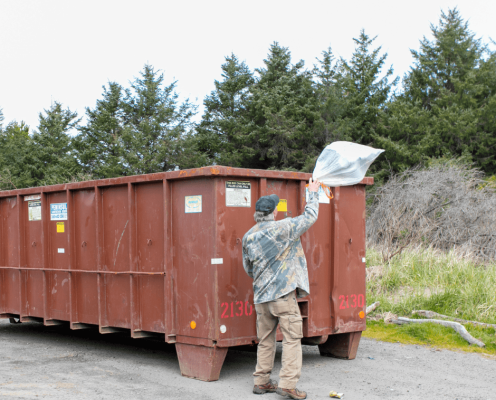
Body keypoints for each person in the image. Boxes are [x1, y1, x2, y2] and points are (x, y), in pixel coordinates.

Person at [242, 178, 320, 399]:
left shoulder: (249, 236)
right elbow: (310, 217)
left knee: (265, 340)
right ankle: (287, 385)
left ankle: (262, 382)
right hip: (283, 296)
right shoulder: (284, 228)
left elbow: (248, 268)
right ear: (274, 212)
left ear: (258, 214)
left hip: (261, 298)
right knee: (292, 339)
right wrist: (312, 193)